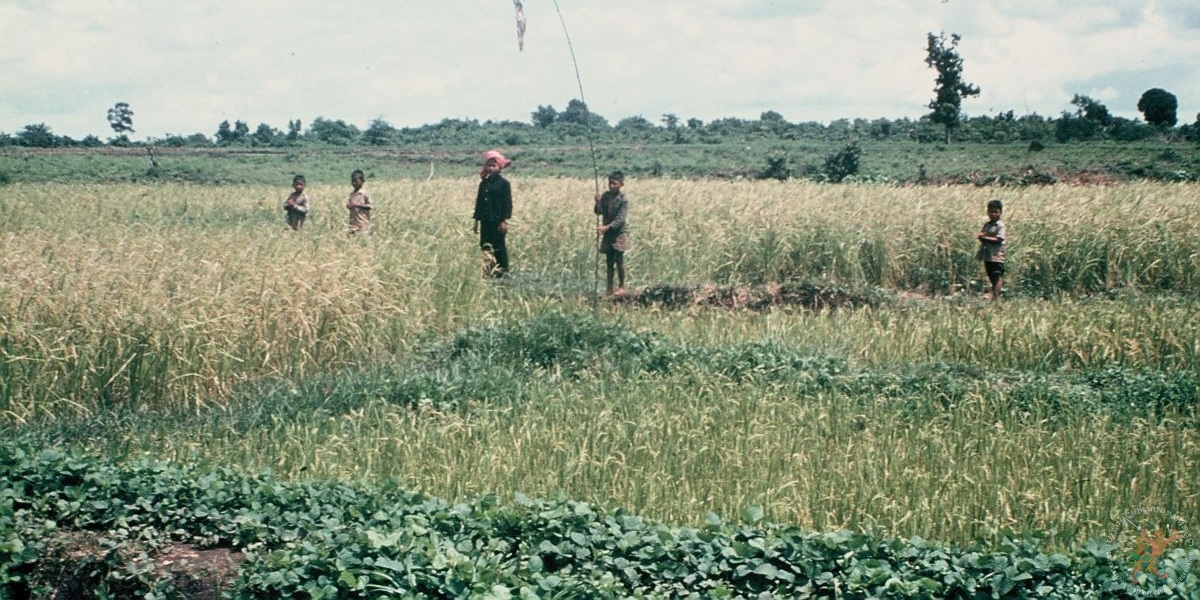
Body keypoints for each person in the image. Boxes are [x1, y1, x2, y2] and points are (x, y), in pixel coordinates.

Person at [473, 150, 513, 277]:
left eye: (494, 165)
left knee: (499, 246)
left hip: (497, 221)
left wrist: (504, 220)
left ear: (500, 167)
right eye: (489, 165)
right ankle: (488, 271)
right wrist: (476, 221)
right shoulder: (483, 183)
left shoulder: (504, 184)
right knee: (485, 246)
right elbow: (479, 203)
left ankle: (502, 272)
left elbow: (507, 203)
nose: (491, 168)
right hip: (485, 220)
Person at [594, 171, 630, 296]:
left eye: (614, 184)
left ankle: (621, 286)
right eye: (610, 183)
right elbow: (599, 212)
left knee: (619, 260)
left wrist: (606, 228)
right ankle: (609, 287)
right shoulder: (606, 196)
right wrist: (597, 202)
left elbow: (620, 220)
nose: (611, 186)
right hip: (608, 234)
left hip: (618, 233)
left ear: (621, 184)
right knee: (609, 261)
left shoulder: (623, 200)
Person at [976, 199, 1006, 300]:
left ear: (1000, 212)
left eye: (996, 212)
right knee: (991, 275)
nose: (993, 214)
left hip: (996, 254)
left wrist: (985, 237)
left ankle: (996, 297)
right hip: (988, 254)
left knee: (997, 275)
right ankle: (994, 295)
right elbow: (981, 235)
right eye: (991, 212)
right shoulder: (987, 225)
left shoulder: (1000, 225)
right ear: (987, 212)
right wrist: (984, 237)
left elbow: (999, 239)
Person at [346, 169, 372, 235]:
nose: (354, 183)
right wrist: (349, 206)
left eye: (357, 181)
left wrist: (358, 205)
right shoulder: (352, 194)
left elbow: (370, 206)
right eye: (353, 181)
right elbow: (350, 204)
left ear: (362, 181)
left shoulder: (364, 193)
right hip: (353, 223)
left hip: (363, 223)